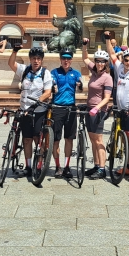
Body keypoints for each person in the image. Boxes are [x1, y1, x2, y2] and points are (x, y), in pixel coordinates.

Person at [8, 44, 53, 178]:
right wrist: (14, 51)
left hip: (39, 110)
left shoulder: (45, 73)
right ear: (30, 59)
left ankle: (39, 165)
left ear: (42, 60)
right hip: (24, 110)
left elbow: (48, 92)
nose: (36, 61)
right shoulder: (24, 70)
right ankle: (28, 166)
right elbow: (11, 64)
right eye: (33, 58)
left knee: (37, 138)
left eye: (39, 58)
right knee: (26, 139)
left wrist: (37, 102)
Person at [80, 43, 113, 180]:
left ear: (106, 63)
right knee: (93, 139)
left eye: (102, 62)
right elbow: (84, 58)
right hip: (90, 109)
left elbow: (107, 98)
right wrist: (84, 46)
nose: (100, 64)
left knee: (99, 140)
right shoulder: (93, 70)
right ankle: (96, 165)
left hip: (99, 111)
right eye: (98, 61)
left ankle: (102, 169)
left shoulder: (107, 78)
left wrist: (97, 108)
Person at [109, 41, 129, 181]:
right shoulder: (119, 68)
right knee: (125, 139)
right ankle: (127, 166)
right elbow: (111, 54)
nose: (128, 63)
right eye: (126, 60)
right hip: (120, 110)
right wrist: (107, 39)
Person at [50, 48, 83, 179]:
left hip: (71, 108)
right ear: (60, 59)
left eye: (68, 58)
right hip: (57, 108)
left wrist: (80, 85)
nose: (66, 60)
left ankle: (67, 166)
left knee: (69, 139)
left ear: (71, 60)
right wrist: (53, 86)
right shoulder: (54, 72)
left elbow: (81, 87)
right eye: (64, 58)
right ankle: (58, 167)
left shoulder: (75, 73)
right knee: (56, 139)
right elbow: (52, 83)